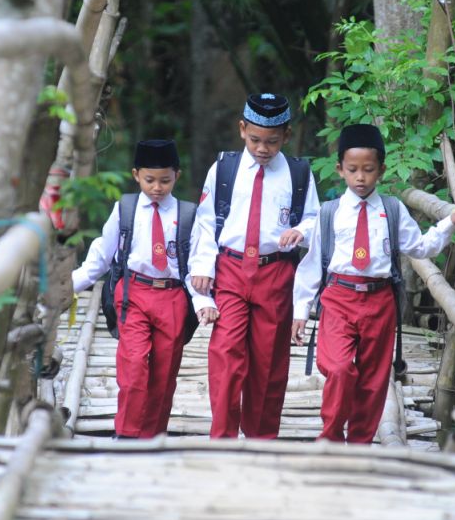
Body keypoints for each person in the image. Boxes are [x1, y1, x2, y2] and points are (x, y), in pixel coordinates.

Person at [291, 124, 455, 444]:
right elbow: (311, 267)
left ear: (381, 169)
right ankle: (331, 437)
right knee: (338, 368)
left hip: (380, 302)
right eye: (352, 170)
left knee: (374, 380)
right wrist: (300, 309)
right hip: (339, 297)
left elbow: (420, 247)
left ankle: (361, 443)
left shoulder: (392, 210)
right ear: (340, 170)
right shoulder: (329, 213)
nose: (360, 177)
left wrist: (450, 221)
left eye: (368, 169)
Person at [190, 93, 319, 439]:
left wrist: (301, 231)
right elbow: (205, 222)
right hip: (231, 268)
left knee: (268, 361)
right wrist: (202, 266)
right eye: (255, 140)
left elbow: (313, 221)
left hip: (275, 273)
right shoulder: (224, 168)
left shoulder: (298, 173)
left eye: (272, 142)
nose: (263, 148)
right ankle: (223, 436)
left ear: (287, 136)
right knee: (226, 353)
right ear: (242, 129)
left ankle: (262, 440)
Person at [71, 139, 205, 438]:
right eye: (149, 180)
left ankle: (152, 437)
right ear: (135, 175)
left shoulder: (186, 215)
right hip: (134, 293)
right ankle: (127, 435)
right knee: (133, 366)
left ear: (177, 177)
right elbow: (102, 254)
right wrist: (72, 285)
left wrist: (202, 301)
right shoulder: (125, 208)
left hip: (173, 297)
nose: (157, 187)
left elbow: (197, 264)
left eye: (165, 180)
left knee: (164, 373)